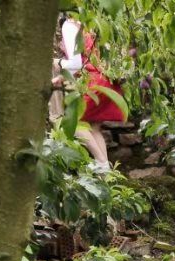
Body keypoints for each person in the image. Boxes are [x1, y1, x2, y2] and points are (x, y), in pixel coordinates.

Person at [53, 15, 125, 171]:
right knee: (93, 127)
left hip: (94, 82)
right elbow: (87, 61)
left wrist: (57, 63)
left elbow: (76, 63)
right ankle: (106, 173)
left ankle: (101, 163)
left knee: (75, 123)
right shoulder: (88, 25)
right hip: (106, 81)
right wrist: (62, 77)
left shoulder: (69, 25)